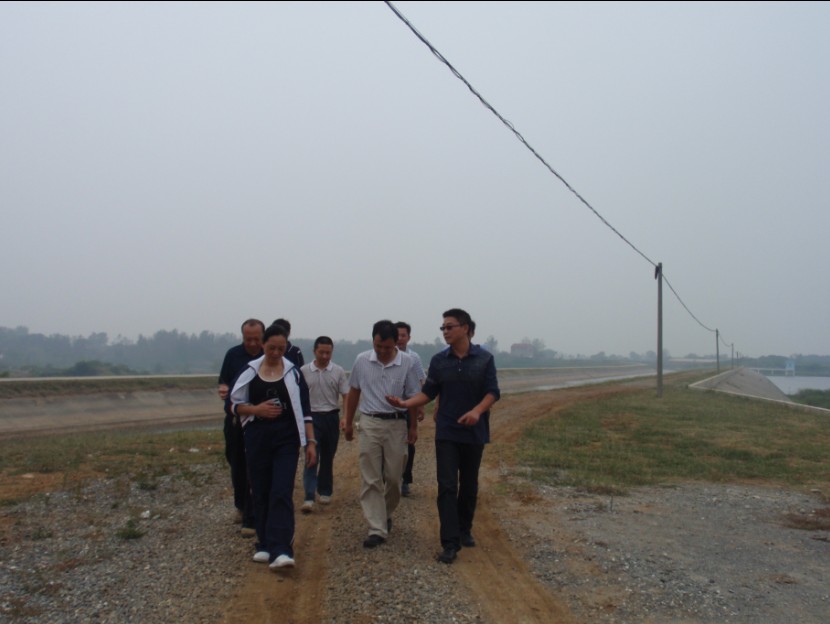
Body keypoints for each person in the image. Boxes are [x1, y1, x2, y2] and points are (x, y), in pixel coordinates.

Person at [386, 308, 499, 564]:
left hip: (474, 432)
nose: (445, 331)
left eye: (449, 327)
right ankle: (450, 542)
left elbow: (493, 392)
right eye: (443, 328)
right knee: (447, 486)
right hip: (447, 431)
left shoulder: (484, 359)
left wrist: (477, 411)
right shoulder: (439, 361)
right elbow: (429, 392)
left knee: (468, 484)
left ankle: (464, 528)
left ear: (465, 328)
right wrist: (405, 403)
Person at [230, 323, 317, 570]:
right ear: (263, 345)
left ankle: (282, 549)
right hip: (257, 437)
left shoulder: (293, 374)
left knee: (281, 490)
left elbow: (305, 410)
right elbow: (233, 405)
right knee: (260, 490)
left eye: (281, 348)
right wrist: (256, 410)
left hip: (286, 438)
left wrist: (311, 442)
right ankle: (264, 543)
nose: (276, 353)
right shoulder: (249, 371)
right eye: (272, 348)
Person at [343, 320, 421, 548]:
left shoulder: (407, 362)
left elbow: (413, 396)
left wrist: (413, 427)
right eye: (378, 346)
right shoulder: (362, 360)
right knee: (371, 477)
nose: (382, 351)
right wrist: (348, 422)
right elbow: (354, 391)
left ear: (396, 343)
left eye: (387, 347)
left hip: (397, 424)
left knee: (394, 478)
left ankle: (383, 514)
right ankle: (376, 528)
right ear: (373, 340)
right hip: (369, 422)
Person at [217, 318, 265, 537]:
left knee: (255, 465)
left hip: (261, 421)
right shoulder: (233, 355)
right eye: (248, 339)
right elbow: (224, 381)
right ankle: (241, 504)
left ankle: (253, 511)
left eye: (256, 339)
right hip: (236, 419)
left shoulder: (270, 356)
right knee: (236, 462)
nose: (252, 343)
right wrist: (223, 389)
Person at [300, 336, 349, 513]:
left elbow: (346, 395)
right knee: (311, 456)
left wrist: (345, 417)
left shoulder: (338, 371)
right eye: (321, 352)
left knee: (328, 455)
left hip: (331, 416)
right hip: (311, 418)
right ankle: (309, 495)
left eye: (328, 353)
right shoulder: (304, 371)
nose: (325, 356)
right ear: (314, 351)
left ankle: (325, 490)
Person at [395, 321, 426, 497]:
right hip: (389, 408)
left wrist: (420, 404)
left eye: (403, 335)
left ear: (409, 337)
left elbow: (420, 381)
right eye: (397, 335)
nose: (400, 338)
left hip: (408, 407)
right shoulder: (385, 355)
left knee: (409, 444)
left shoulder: (414, 358)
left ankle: (405, 480)